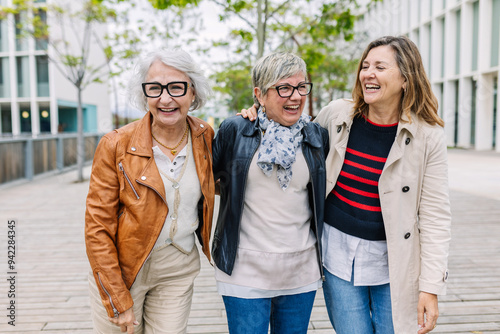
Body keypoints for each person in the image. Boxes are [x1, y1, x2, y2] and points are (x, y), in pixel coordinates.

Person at [241, 36, 451, 334]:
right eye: (365, 66)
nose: (368, 73)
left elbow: (436, 217)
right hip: (337, 256)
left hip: (396, 263)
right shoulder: (338, 114)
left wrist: (431, 287)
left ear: (406, 78)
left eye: (380, 66)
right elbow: (289, 123)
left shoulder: (428, 136)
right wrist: (256, 112)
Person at [85, 48, 215, 334]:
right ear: (145, 94)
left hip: (177, 266)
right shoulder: (115, 145)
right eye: (155, 88)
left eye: (177, 87)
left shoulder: (204, 136)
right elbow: (97, 228)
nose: (165, 98)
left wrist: (257, 116)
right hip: (123, 268)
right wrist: (117, 297)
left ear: (192, 92)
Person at [211, 51, 329, 334]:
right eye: (283, 88)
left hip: (300, 267)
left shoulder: (316, 135)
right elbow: (209, 181)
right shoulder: (235, 130)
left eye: (301, 87)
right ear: (259, 95)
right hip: (244, 268)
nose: (296, 96)